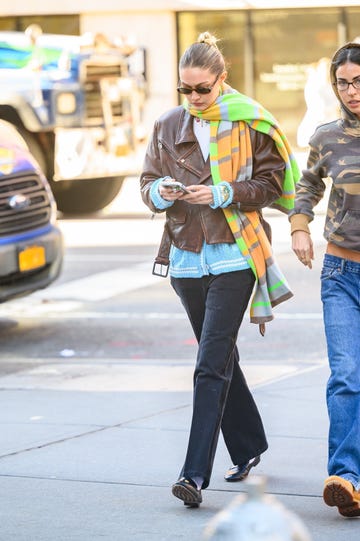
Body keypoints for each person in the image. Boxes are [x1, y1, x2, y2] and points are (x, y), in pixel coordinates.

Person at [140, 32, 299, 508]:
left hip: (235, 254)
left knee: (209, 363)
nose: (193, 99)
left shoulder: (251, 120)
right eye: (184, 90)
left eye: (202, 89)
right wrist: (160, 192)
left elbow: (272, 183)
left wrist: (224, 192)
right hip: (187, 256)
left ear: (221, 80)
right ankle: (249, 446)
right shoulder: (168, 124)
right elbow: (146, 182)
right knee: (221, 355)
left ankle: (193, 475)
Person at [290, 41, 360, 518]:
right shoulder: (328, 136)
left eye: (358, 81)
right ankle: (346, 478)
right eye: (343, 83)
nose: (351, 91)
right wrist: (299, 226)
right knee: (347, 375)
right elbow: (308, 185)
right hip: (341, 272)